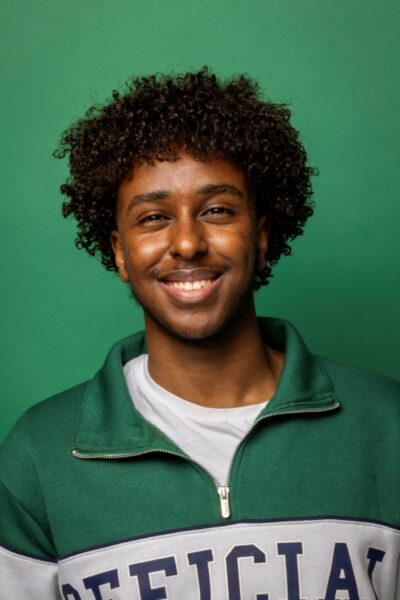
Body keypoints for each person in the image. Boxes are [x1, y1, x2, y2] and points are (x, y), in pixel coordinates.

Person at [0, 68, 399, 599]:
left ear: (260, 236)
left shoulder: (385, 424)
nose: (187, 243)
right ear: (120, 252)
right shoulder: (39, 455)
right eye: (153, 217)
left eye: (216, 210)